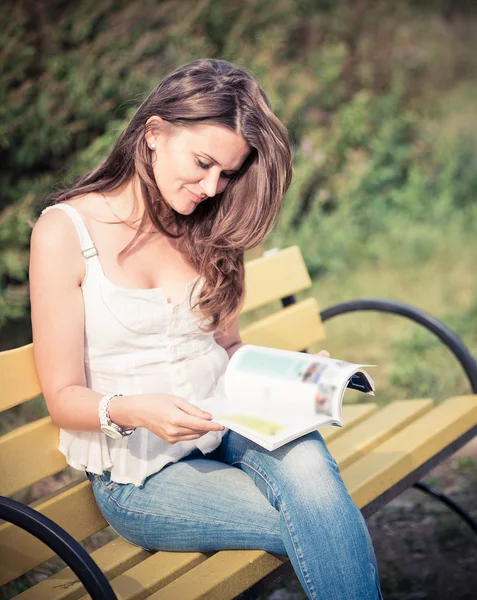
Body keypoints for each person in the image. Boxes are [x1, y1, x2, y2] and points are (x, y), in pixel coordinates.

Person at [29, 58, 382, 599]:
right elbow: (62, 398)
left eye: (228, 173)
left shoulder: (209, 227)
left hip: (233, 424)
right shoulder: (65, 231)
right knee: (321, 517)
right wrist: (137, 408)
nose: (213, 186)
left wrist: (297, 379)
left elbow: (228, 345)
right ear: (154, 133)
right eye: (202, 162)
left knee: (315, 485)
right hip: (144, 477)